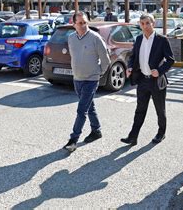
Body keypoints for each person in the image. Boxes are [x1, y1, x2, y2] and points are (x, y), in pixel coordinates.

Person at [121, 14, 175, 146]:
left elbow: (170, 60)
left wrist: (160, 71)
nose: (145, 26)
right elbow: (133, 57)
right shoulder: (139, 39)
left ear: (153, 23)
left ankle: (161, 133)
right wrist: (130, 67)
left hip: (156, 81)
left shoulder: (161, 40)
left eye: (147, 23)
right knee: (140, 109)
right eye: (142, 23)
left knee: (160, 110)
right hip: (143, 81)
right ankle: (133, 137)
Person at [63, 12, 111, 152]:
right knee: (89, 107)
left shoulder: (95, 38)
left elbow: (106, 60)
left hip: (91, 79)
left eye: (85, 22)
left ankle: (73, 140)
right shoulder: (71, 38)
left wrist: (98, 73)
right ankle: (96, 130)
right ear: (74, 25)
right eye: (80, 23)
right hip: (77, 78)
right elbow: (74, 57)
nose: (83, 25)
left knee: (81, 110)